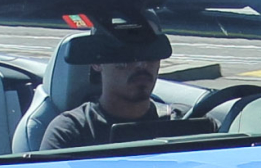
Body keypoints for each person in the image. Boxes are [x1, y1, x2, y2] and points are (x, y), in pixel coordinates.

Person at [40, 20, 189, 149]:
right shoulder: (71, 132)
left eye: (151, 52)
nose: (141, 64)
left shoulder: (185, 122)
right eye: (125, 55)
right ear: (97, 62)